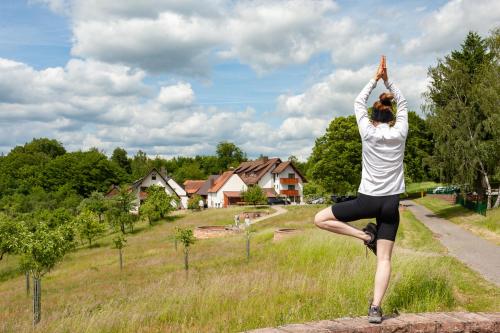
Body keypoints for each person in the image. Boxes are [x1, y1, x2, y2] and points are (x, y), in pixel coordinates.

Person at [313, 55, 408, 324]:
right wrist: (388, 80)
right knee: (385, 260)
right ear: (391, 117)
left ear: (373, 115)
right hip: (390, 204)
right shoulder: (400, 131)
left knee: (319, 219)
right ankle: (376, 309)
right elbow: (403, 102)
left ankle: (365, 238)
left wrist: (375, 78)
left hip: (366, 202)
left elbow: (358, 102)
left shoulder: (367, 131)